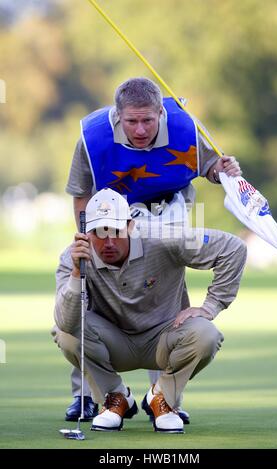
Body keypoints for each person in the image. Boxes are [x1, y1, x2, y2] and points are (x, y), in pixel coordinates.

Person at [63, 76, 242, 423]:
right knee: (93, 296)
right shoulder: (92, 136)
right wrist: (90, 241)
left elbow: (209, 168)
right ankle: (87, 395)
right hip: (111, 213)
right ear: (117, 116)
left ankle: (165, 396)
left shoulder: (185, 125)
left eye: (148, 119)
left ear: (161, 111)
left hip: (168, 210)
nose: (141, 129)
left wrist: (224, 170)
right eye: (132, 121)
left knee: (165, 289)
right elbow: (81, 192)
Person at [54, 188, 247, 433]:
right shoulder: (72, 259)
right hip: (113, 343)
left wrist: (211, 306)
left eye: (116, 230)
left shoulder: (162, 237)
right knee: (66, 333)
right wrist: (76, 274)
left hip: (165, 339)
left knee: (206, 334)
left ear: (130, 226)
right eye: (99, 233)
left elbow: (233, 248)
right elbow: (65, 322)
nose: (109, 242)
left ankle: (162, 398)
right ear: (87, 233)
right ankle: (115, 398)